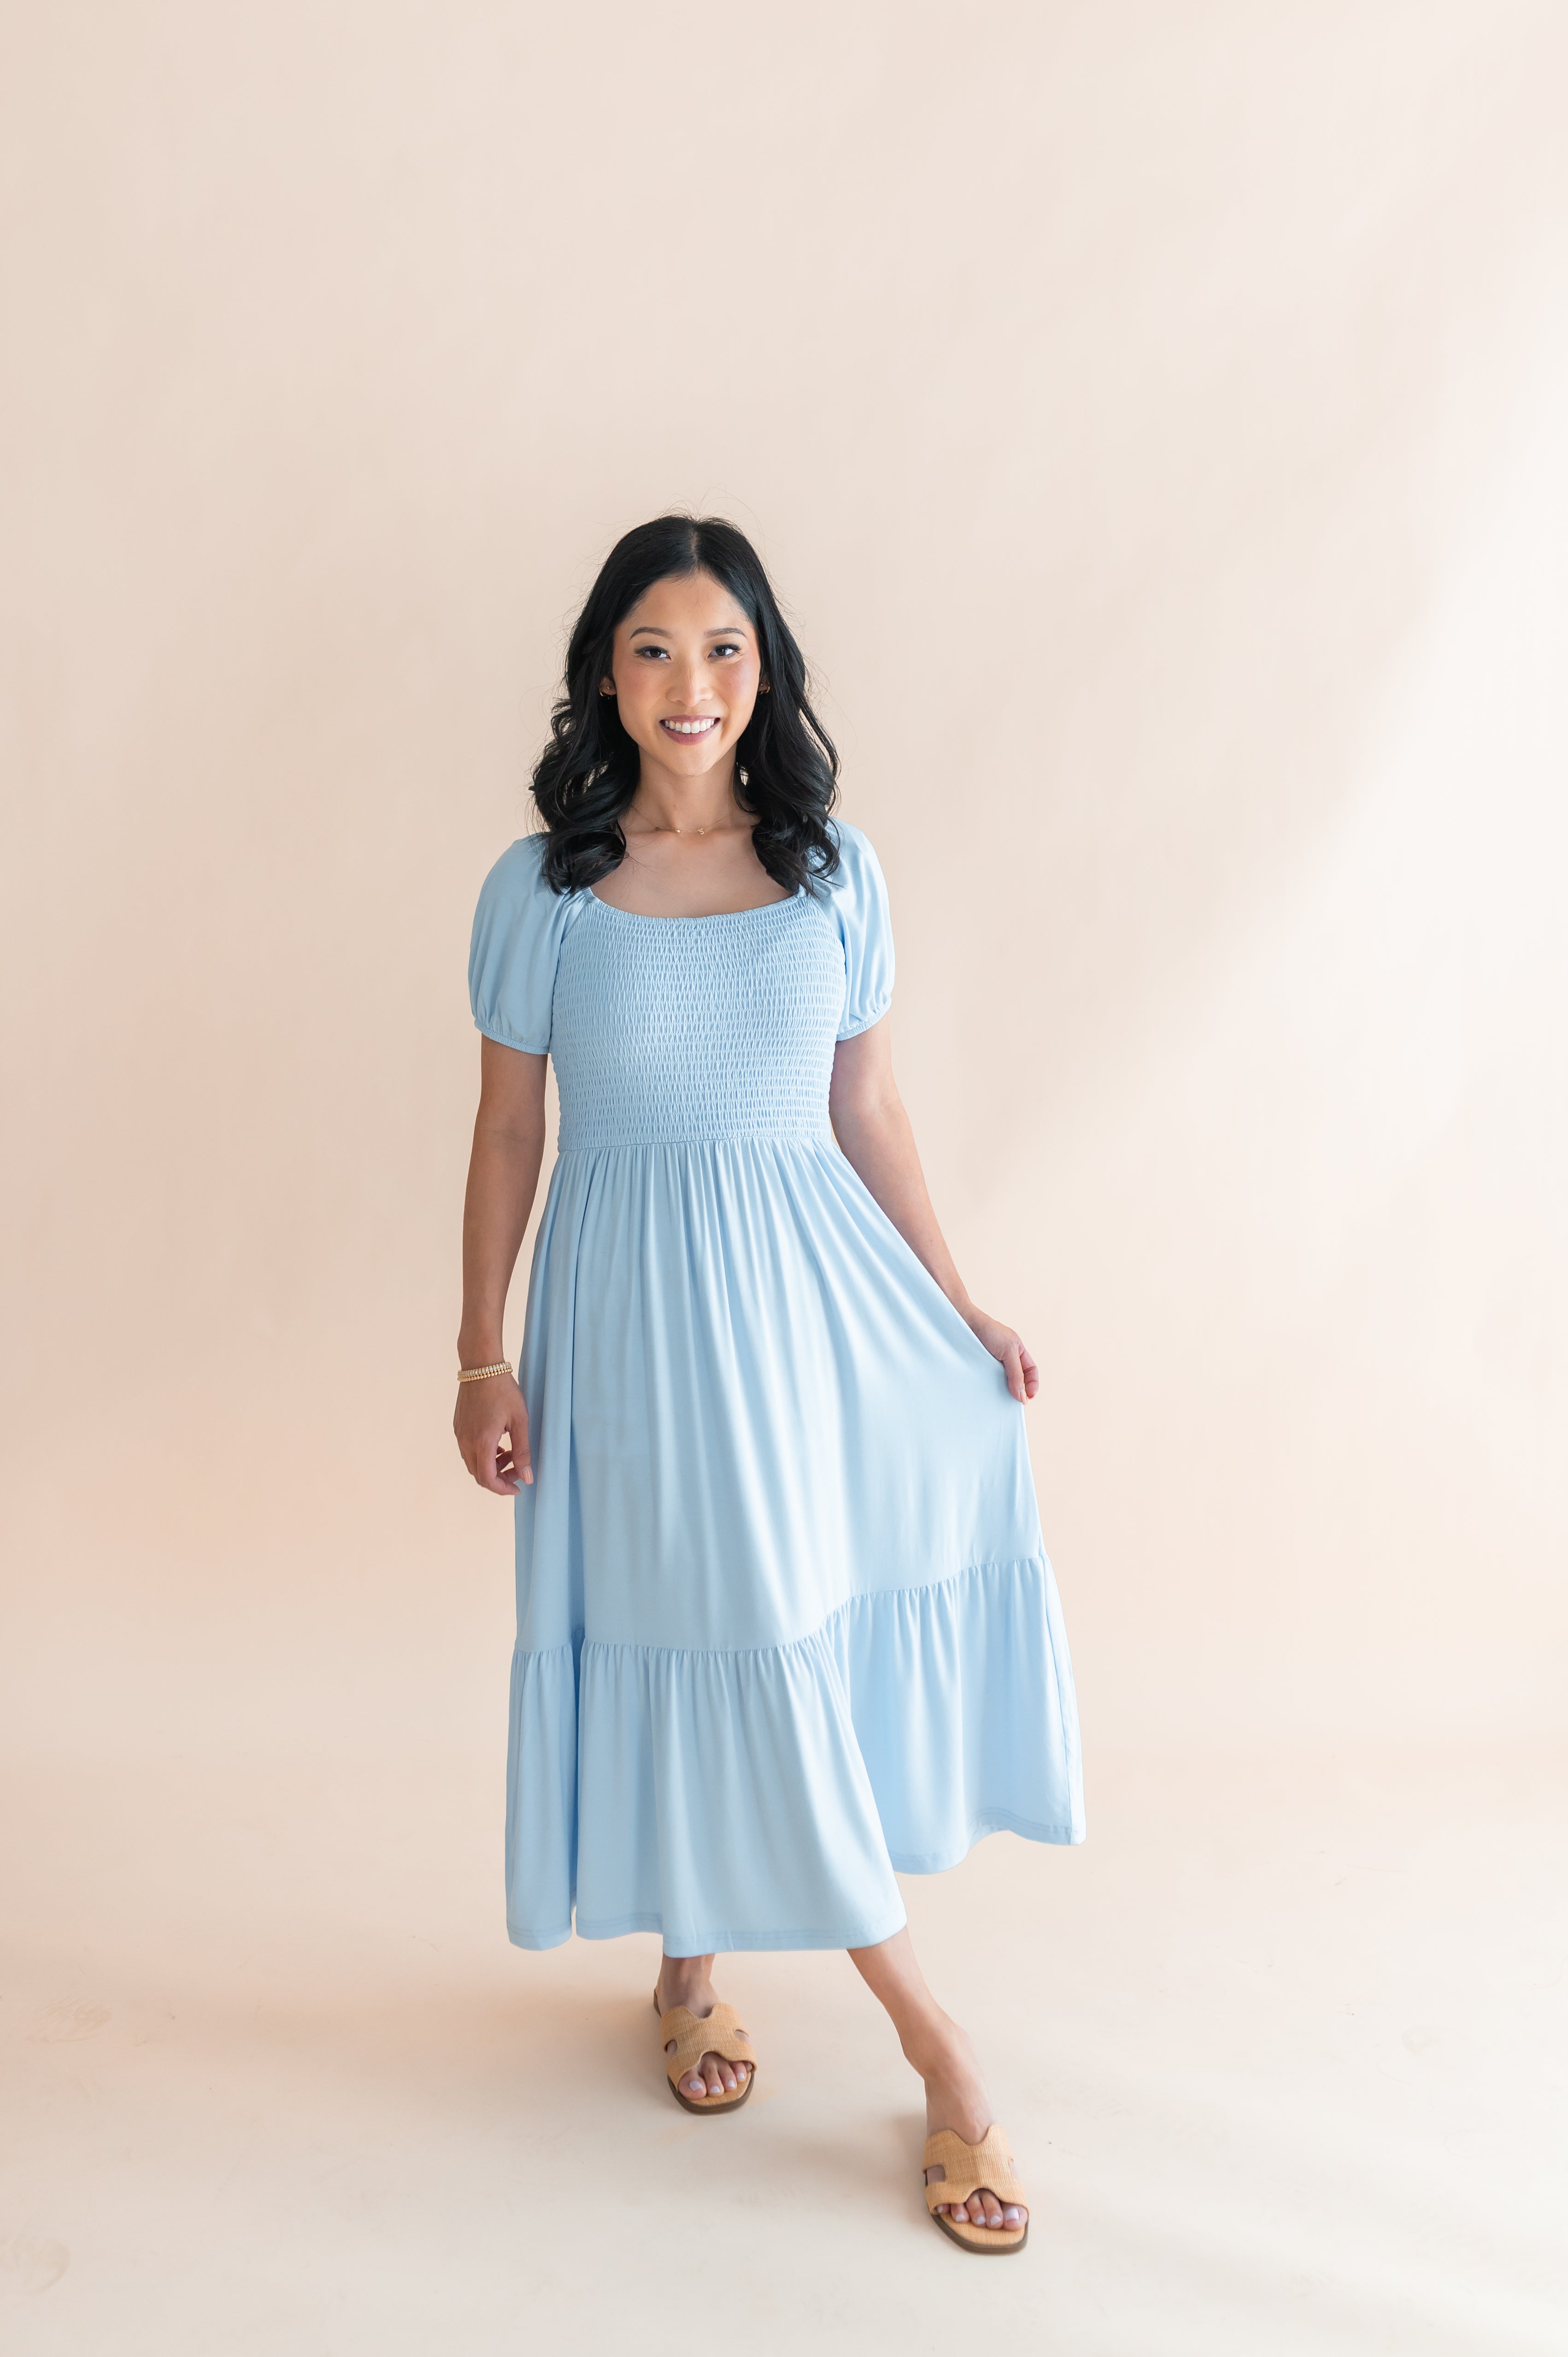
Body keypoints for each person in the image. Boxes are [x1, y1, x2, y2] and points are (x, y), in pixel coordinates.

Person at [454, 515, 1084, 2253]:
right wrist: (478, 1352)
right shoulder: (544, 891)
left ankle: (694, 1965)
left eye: (723, 648)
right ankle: (934, 2047)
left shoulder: (832, 872)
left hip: (808, 1308)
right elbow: (512, 1132)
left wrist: (954, 1305)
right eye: (653, 647)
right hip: (633, 1320)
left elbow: (864, 1110)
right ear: (605, 669)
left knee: (776, 1619)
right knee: (706, 1614)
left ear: (765, 670)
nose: (689, 684)